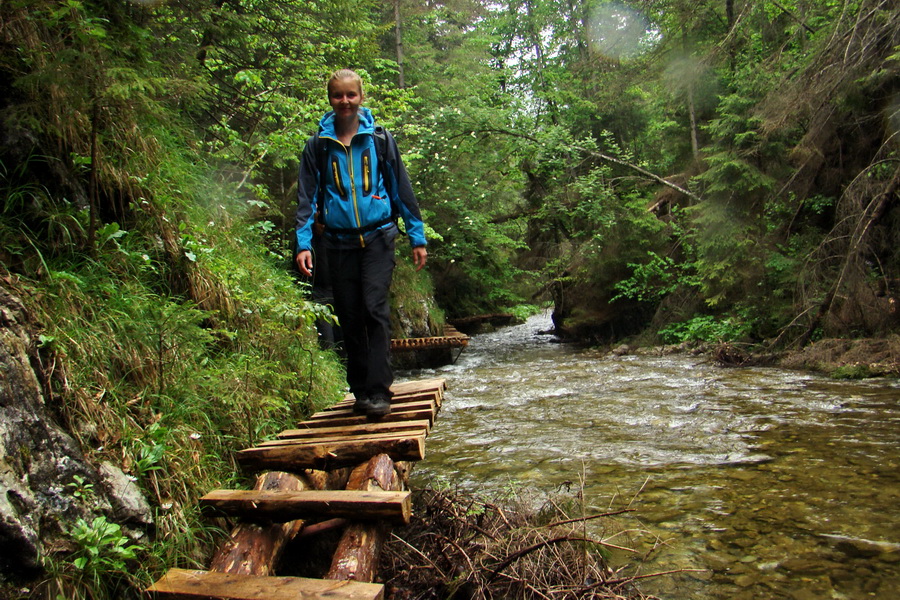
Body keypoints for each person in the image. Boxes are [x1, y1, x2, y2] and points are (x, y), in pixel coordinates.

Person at [295, 69, 427, 419]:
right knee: (350, 315)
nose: (345, 102)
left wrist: (417, 236)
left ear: (361, 97)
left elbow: (402, 189)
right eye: (338, 95)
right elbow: (306, 199)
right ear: (330, 99)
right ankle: (360, 390)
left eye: (351, 95)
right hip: (337, 243)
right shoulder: (317, 147)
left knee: (373, 309)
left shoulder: (380, 140)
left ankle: (379, 390)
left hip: (378, 236)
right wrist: (303, 243)